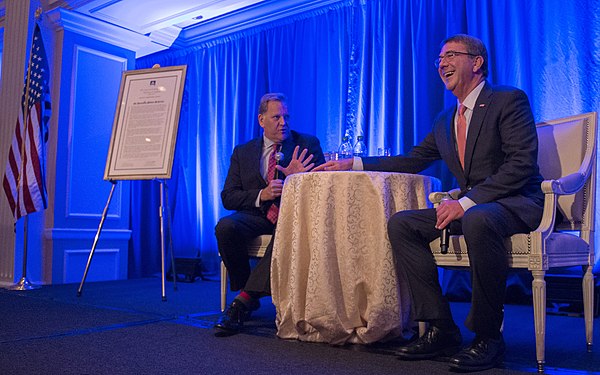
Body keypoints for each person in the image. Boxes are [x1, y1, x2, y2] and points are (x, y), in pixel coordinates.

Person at [314, 34, 543, 372]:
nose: (442, 64)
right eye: (439, 59)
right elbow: (412, 160)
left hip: (515, 202)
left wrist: (465, 203)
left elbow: (520, 164)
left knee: (477, 218)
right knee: (403, 224)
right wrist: (355, 163)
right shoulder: (444, 121)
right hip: (475, 207)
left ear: (477, 62)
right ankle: (441, 328)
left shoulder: (508, 100)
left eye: (451, 55)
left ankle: (488, 338)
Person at [215, 93, 325, 333]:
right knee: (225, 227)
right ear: (261, 120)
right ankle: (247, 290)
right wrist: (261, 195)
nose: (283, 122)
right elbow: (228, 196)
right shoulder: (243, 152)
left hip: (293, 217)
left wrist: (296, 179)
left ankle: (242, 301)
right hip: (256, 215)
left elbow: (321, 190)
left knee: (285, 233)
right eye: (276, 117)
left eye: (286, 116)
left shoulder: (307, 144)